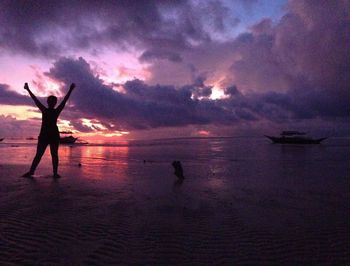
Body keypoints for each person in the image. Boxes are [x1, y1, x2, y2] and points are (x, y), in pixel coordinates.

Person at [22, 82, 75, 178]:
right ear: (48, 102)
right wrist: (28, 89)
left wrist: (70, 90)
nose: (51, 103)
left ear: (54, 103)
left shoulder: (54, 111)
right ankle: (31, 171)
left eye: (53, 102)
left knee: (54, 155)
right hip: (44, 135)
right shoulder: (45, 110)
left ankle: (54, 173)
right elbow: (35, 100)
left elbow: (64, 101)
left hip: (53, 136)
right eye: (50, 101)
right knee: (39, 154)